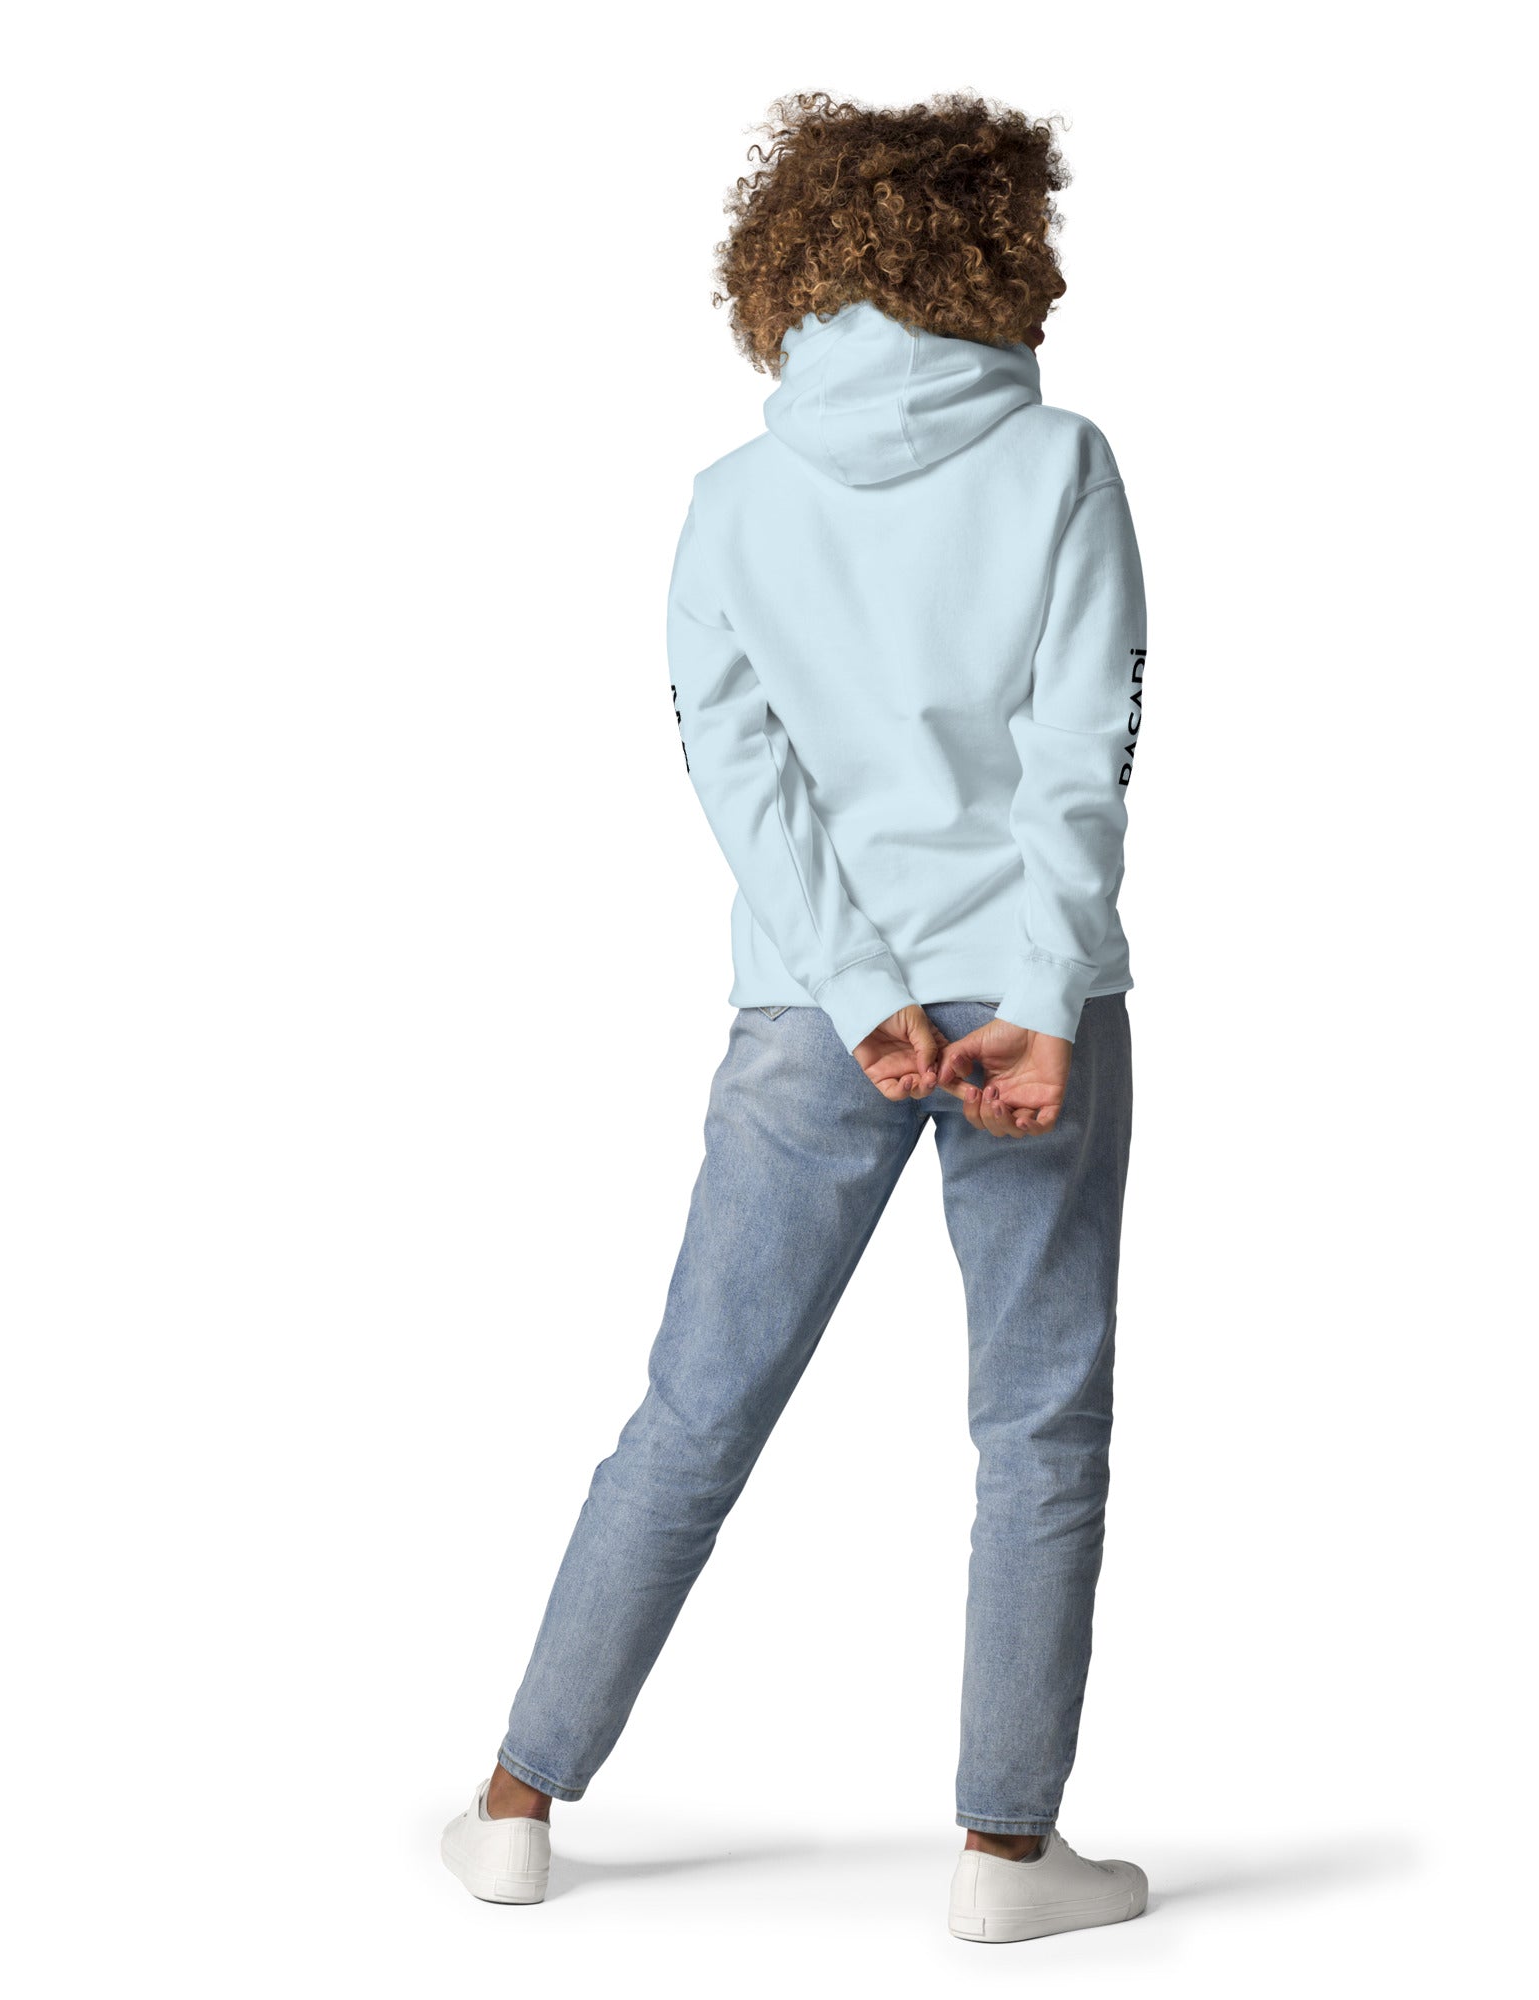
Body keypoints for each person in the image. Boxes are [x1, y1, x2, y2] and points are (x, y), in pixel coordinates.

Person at [442, 92, 1150, 1944]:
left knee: (695, 1407)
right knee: (1040, 1424)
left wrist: (855, 991)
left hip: (808, 1020)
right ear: (998, 249)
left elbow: (741, 780)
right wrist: (1042, 996)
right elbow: (1081, 756)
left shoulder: (733, 504)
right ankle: (1006, 1860)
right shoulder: (1060, 465)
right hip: (1031, 1012)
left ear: (790, 268)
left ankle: (516, 1806)